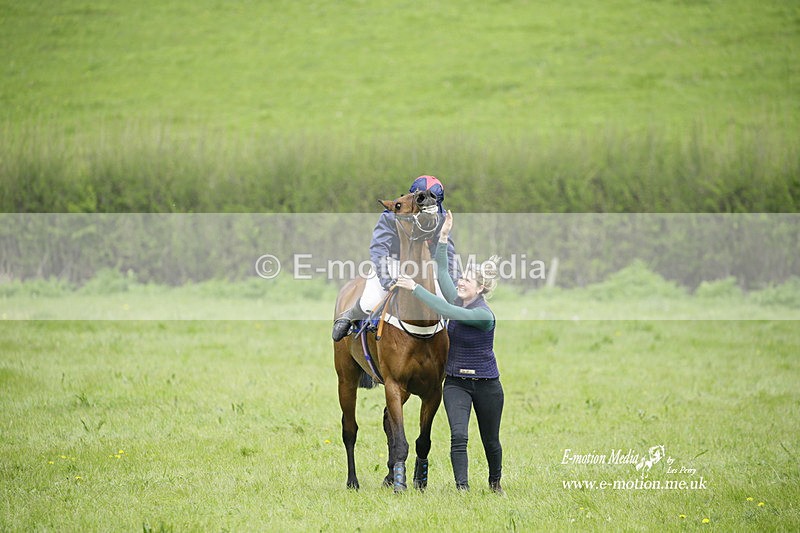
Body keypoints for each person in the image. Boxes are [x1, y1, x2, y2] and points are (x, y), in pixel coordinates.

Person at [395, 210, 504, 494]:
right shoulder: (457, 297)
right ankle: (462, 489)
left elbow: (447, 310)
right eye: (462, 278)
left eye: (467, 280)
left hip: (487, 385)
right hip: (456, 383)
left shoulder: (483, 315)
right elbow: (443, 272)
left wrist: (416, 288)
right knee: (458, 436)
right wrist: (443, 238)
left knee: (490, 440)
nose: (460, 282)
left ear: (480, 288)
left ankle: (495, 484)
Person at [332, 175, 459, 341]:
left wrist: (455, 284)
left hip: (425, 265)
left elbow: (448, 253)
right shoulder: (391, 215)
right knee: (370, 301)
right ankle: (350, 315)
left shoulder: (441, 216)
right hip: (392, 261)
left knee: (449, 301)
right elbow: (379, 248)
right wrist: (386, 279)